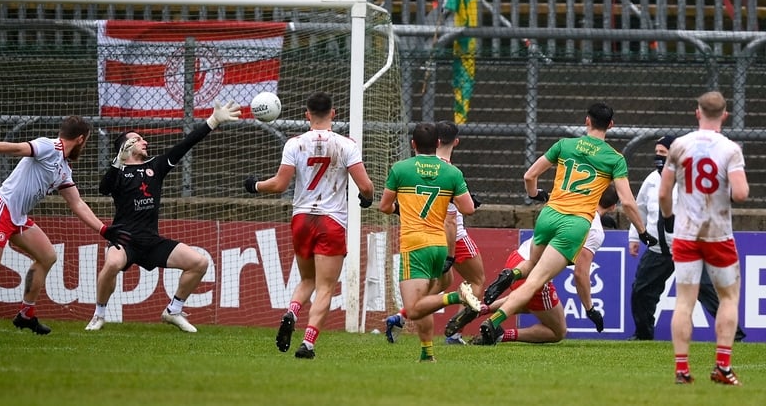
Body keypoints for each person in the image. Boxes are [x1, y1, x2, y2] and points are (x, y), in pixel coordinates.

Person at [476, 102, 656, 346]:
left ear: (587, 121)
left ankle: (512, 273)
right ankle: (494, 322)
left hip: (549, 214)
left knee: (532, 266)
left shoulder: (564, 145)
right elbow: (628, 201)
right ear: (611, 125)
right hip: (574, 223)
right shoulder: (615, 158)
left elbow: (529, 175)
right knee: (536, 281)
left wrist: (535, 194)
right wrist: (642, 232)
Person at [0, 116, 131, 344]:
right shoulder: (49, 146)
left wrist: (104, 230)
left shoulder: (63, 167)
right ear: (80, 139)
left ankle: (26, 314)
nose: (85, 145)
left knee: (47, 256)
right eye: (86, 141)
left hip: (18, 217)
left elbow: (76, 203)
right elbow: (17, 148)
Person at [84, 100, 240, 333]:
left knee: (199, 263)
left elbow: (185, 144)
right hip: (124, 239)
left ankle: (173, 310)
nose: (144, 141)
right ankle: (99, 314)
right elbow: (104, 189)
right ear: (125, 146)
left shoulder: (156, 166)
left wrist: (213, 121)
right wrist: (118, 161)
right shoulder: (118, 171)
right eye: (137, 139)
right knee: (112, 264)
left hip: (151, 240)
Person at [243, 92, 374, 359]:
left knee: (307, 279)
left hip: (302, 219)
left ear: (307, 115)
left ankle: (292, 311)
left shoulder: (295, 143)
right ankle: (308, 343)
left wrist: (254, 185)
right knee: (325, 287)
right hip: (331, 221)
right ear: (333, 113)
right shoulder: (346, 145)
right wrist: (367, 198)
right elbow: (366, 185)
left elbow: (279, 185)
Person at [659, 91, 749, 386]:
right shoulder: (730, 149)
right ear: (725, 115)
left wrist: (670, 216)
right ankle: (722, 366)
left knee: (684, 301)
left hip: (686, 233)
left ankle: (682, 370)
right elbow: (740, 193)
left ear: (697, 112)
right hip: (717, 233)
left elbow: (664, 192)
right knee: (728, 298)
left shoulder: (679, 145)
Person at [453, 186, 619, 344]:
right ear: (613, 207)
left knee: (527, 302)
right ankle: (499, 332)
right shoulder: (595, 231)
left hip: (519, 258)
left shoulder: (571, 200)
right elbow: (580, 274)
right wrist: (590, 309)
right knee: (558, 331)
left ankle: (480, 309)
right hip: (535, 271)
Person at [378, 122, 480, 362]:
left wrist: (401, 210)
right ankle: (427, 354)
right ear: (437, 143)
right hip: (439, 245)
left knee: (413, 308)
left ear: (413, 144)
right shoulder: (452, 172)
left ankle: (456, 297)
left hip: (414, 244)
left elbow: (384, 206)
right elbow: (468, 209)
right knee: (424, 302)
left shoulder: (400, 169)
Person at [627, 135, 745, 342]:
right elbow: (641, 208)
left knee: (708, 291)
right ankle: (643, 335)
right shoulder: (651, 180)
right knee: (641, 291)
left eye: (663, 153)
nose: (658, 156)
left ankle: (734, 334)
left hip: (688, 249)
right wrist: (635, 236)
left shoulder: (690, 178)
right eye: (656, 152)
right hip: (658, 249)